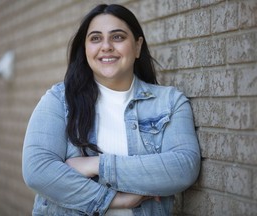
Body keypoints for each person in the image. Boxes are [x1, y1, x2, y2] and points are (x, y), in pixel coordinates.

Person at [22, 4, 200, 216]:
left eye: (117, 37)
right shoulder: (60, 101)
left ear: (137, 46)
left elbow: (183, 169)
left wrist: (96, 165)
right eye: (95, 38)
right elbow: (38, 171)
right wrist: (116, 200)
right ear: (86, 49)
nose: (106, 46)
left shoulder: (169, 102)